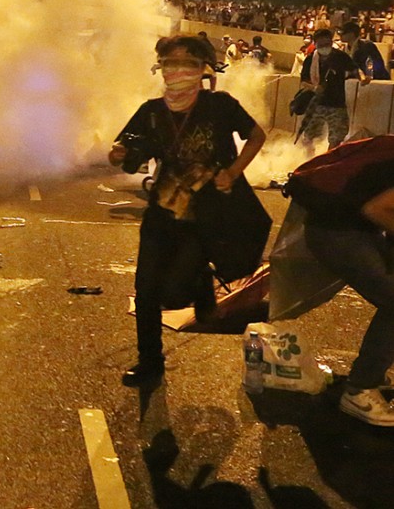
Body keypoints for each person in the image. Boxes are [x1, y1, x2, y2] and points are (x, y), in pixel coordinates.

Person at [109, 35, 266, 388]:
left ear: (202, 69)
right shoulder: (151, 112)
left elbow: (257, 136)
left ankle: (200, 287)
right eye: (170, 62)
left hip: (208, 216)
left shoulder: (221, 106)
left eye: (188, 63)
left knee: (176, 288)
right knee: (147, 289)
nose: (178, 70)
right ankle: (150, 360)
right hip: (162, 213)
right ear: (160, 68)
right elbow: (128, 156)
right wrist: (117, 155)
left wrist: (233, 171)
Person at [300, 149, 394, 426]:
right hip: (336, 233)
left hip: (354, 228)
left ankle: (374, 370)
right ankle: (359, 390)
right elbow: (375, 208)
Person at [299, 28, 371, 150]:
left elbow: (354, 68)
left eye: (327, 44)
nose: (324, 47)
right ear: (315, 44)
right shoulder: (310, 59)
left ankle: (328, 160)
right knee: (308, 137)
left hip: (336, 104)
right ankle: (309, 161)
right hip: (316, 104)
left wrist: (362, 78)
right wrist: (314, 88)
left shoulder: (340, 57)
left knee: (337, 137)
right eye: (321, 45)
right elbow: (303, 82)